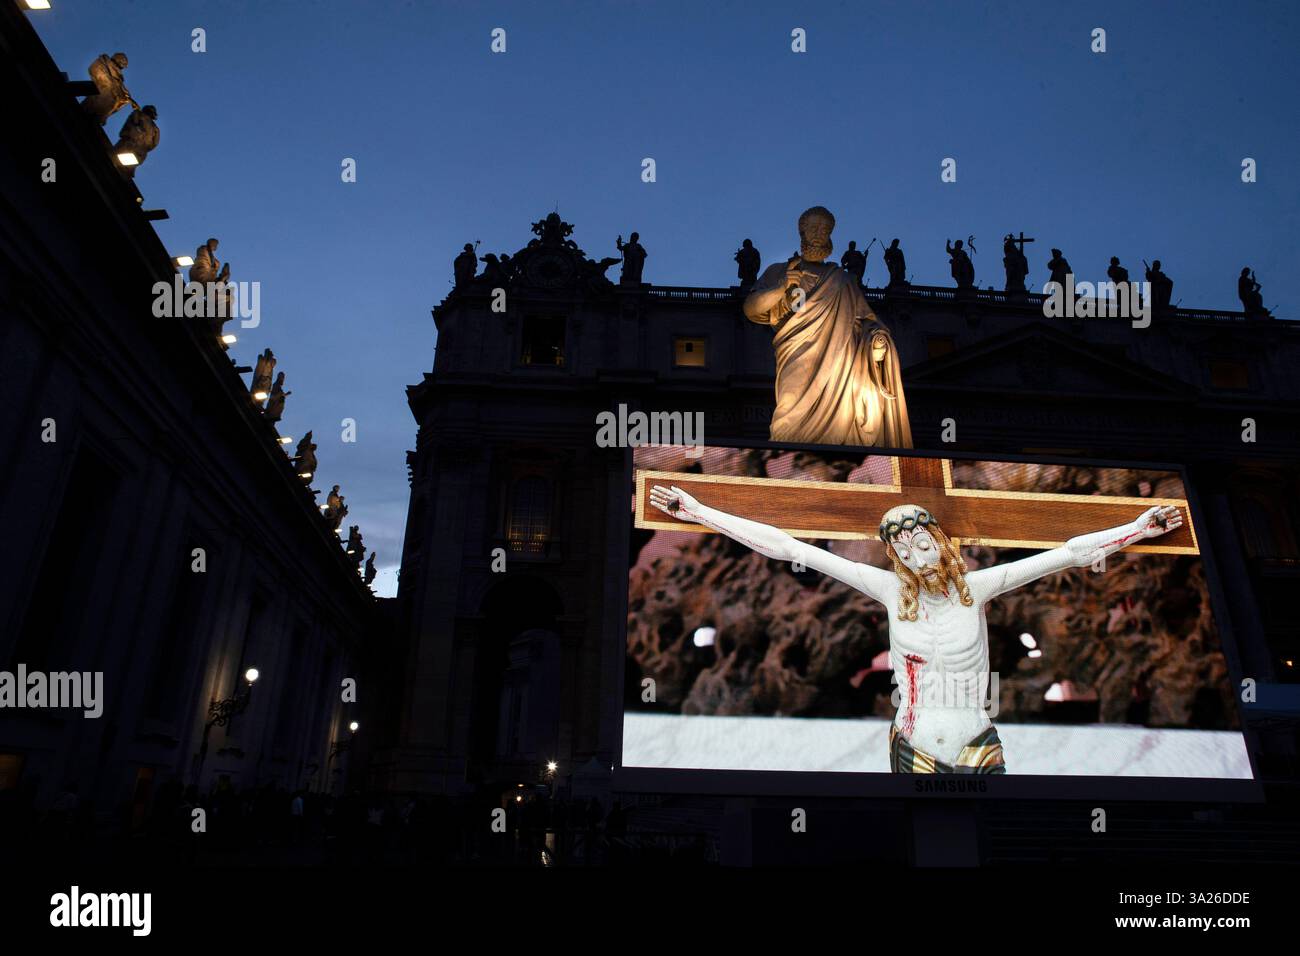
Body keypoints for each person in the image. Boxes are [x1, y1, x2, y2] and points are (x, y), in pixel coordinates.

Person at [649, 484, 1183, 774]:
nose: (912, 554)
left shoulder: (982, 586)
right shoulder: (888, 593)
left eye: (920, 542)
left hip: (978, 744)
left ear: (940, 541)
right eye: (901, 550)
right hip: (911, 746)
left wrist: (1138, 529)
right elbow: (790, 548)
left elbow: (1068, 555)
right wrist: (700, 512)